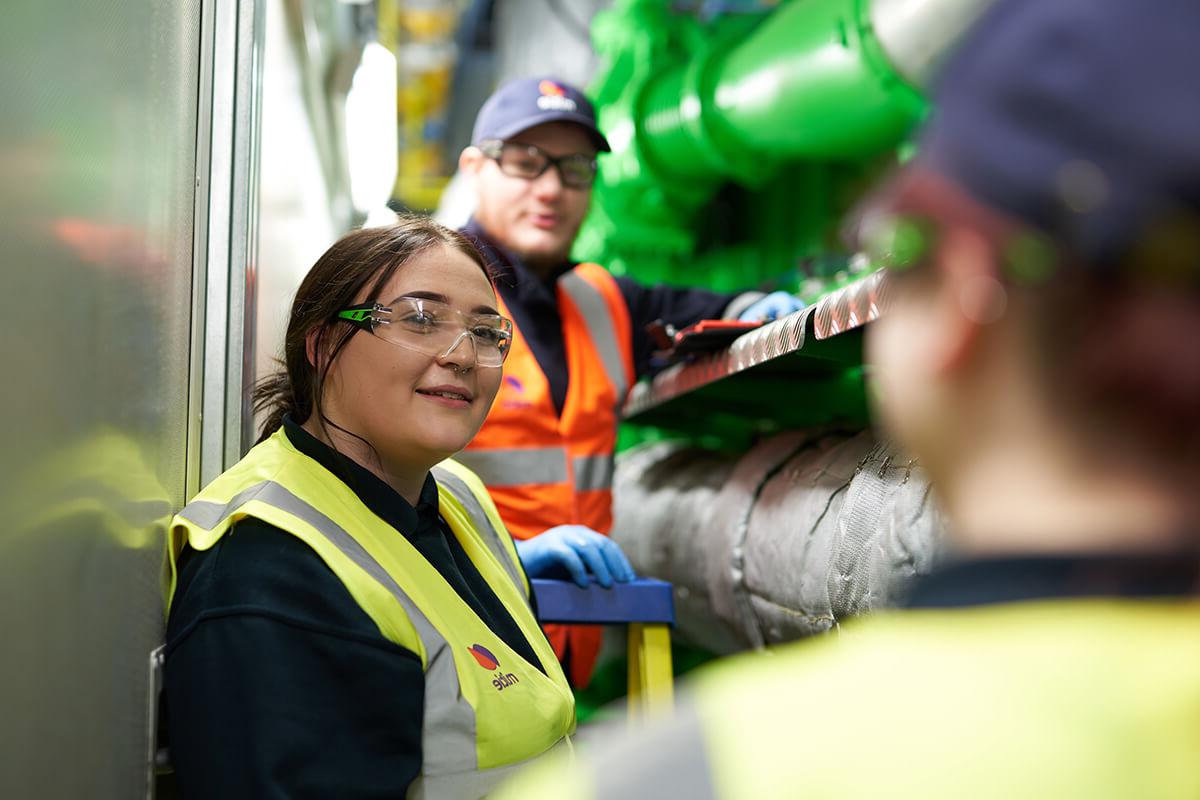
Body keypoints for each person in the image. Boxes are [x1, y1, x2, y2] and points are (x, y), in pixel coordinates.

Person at [495, 0, 1200, 796]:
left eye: (896, 247)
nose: (552, 189)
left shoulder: (688, 774)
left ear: (966, 301)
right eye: (526, 165)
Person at [164, 218, 634, 798]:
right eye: (420, 318)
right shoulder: (268, 575)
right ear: (322, 345)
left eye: (487, 333)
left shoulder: (458, 494)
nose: (463, 355)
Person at [455, 76, 805, 686]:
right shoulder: (425, 295)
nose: (551, 188)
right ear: (475, 167)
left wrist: (757, 307)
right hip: (459, 622)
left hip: (565, 650)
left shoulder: (602, 300)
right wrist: (502, 559)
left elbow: (703, 309)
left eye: (575, 168)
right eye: (525, 162)